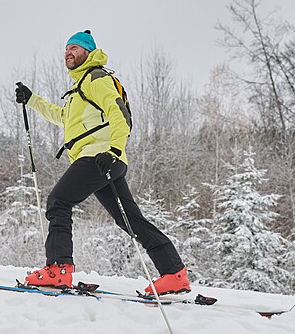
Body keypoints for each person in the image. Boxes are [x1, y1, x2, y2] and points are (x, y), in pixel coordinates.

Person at [14, 30, 190, 295]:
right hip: (104, 161)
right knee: (130, 220)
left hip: (99, 156)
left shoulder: (96, 78)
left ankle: (59, 269)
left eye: (74, 48)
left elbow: (118, 114)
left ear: (88, 51)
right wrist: (32, 100)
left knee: (58, 201)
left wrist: (114, 149)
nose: (68, 53)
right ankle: (174, 274)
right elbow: (64, 118)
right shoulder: (79, 88)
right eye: (65, 49)